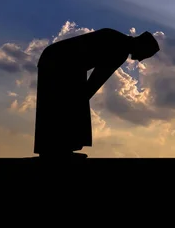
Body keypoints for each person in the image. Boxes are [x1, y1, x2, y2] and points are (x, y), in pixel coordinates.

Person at [33, 28, 160, 158]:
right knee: (61, 104)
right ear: (141, 45)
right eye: (145, 54)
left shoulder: (117, 39)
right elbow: (96, 80)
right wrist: (81, 101)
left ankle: (57, 148)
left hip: (62, 61)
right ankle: (57, 149)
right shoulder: (119, 50)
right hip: (61, 63)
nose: (140, 60)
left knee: (59, 104)